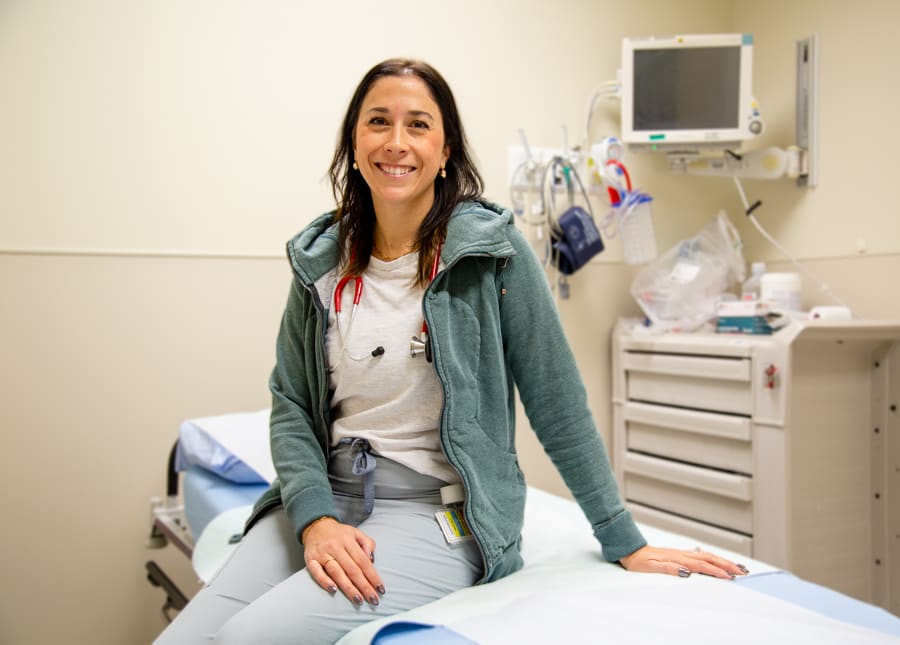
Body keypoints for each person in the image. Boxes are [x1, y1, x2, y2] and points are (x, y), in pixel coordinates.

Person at [154, 57, 747, 645]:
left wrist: (624, 540)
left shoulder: (490, 252)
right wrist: (315, 519)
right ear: (354, 144)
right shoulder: (320, 260)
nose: (396, 142)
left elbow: (556, 400)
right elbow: (290, 404)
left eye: (418, 124)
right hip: (327, 499)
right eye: (378, 122)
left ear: (445, 152)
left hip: (438, 516)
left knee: (247, 638)